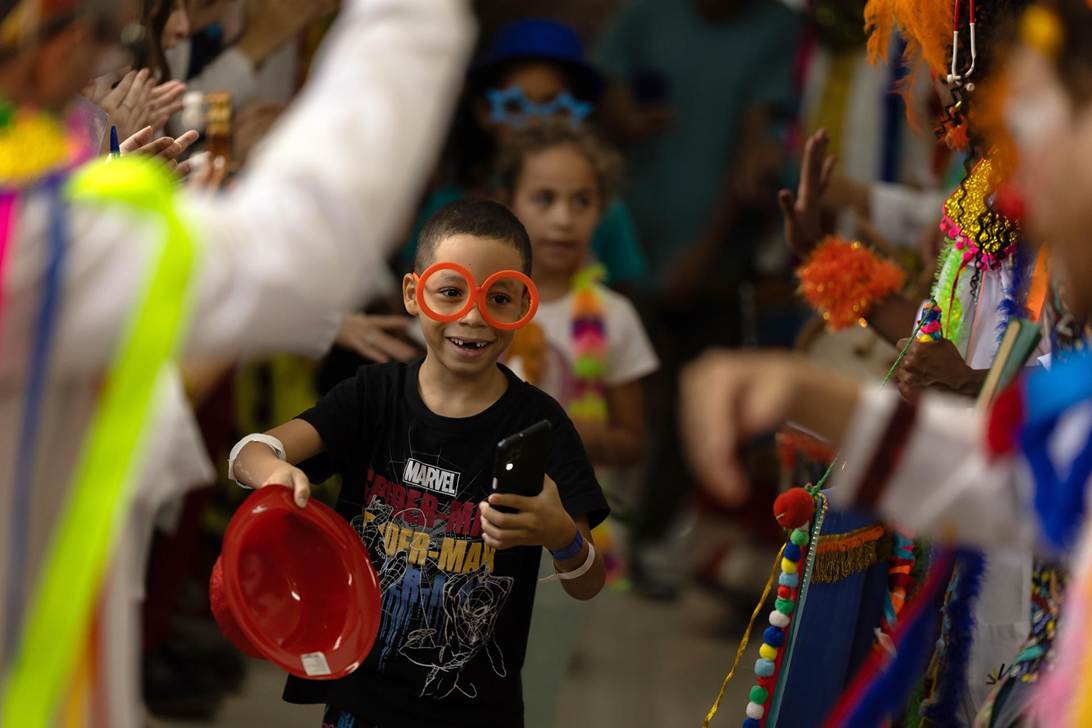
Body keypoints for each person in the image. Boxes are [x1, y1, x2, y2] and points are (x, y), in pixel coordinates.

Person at [0, 1, 473, 726]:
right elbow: (296, 248)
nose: (172, 36)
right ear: (40, 48)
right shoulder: (31, 245)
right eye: (116, 30)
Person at [679, 6, 1092, 725]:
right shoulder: (989, 196)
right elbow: (1013, 465)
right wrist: (819, 293)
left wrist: (966, 386)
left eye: (1037, 124)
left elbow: (1005, 437)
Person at [229, 198, 608, 728]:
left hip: (474, 715)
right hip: (358, 698)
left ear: (525, 304)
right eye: (451, 292)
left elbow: (588, 581)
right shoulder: (373, 395)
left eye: (499, 298)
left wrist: (561, 534)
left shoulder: (539, 425)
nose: (473, 316)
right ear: (414, 294)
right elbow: (249, 452)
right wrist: (274, 472)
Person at [493, 119, 658, 727]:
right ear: (508, 202)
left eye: (581, 201)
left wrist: (555, 425)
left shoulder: (614, 320)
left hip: (565, 534)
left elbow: (632, 441)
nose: (564, 218)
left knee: (532, 681)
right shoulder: (477, 303)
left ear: (602, 211)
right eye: (545, 199)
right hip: (467, 526)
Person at [399, 18, 648, 287]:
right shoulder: (446, 208)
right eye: (515, 106)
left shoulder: (606, 210)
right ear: (484, 111)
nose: (536, 122)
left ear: (578, 112)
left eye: (554, 107)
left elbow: (628, 294)